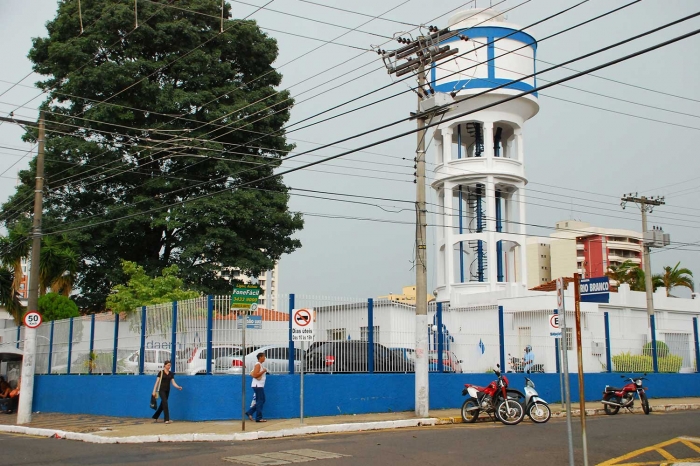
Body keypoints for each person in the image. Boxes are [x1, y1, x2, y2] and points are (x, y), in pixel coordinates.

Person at [245, 352, 268, 423]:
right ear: (260, 357)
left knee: (261, 401)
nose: (265, 358)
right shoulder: (258, 365)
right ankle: (258, 418)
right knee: (261, 401)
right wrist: (263, 371)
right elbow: (255, 375)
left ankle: (250, 412)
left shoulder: (259, 365)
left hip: (258, 386)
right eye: (264, 356)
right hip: (258, 386)